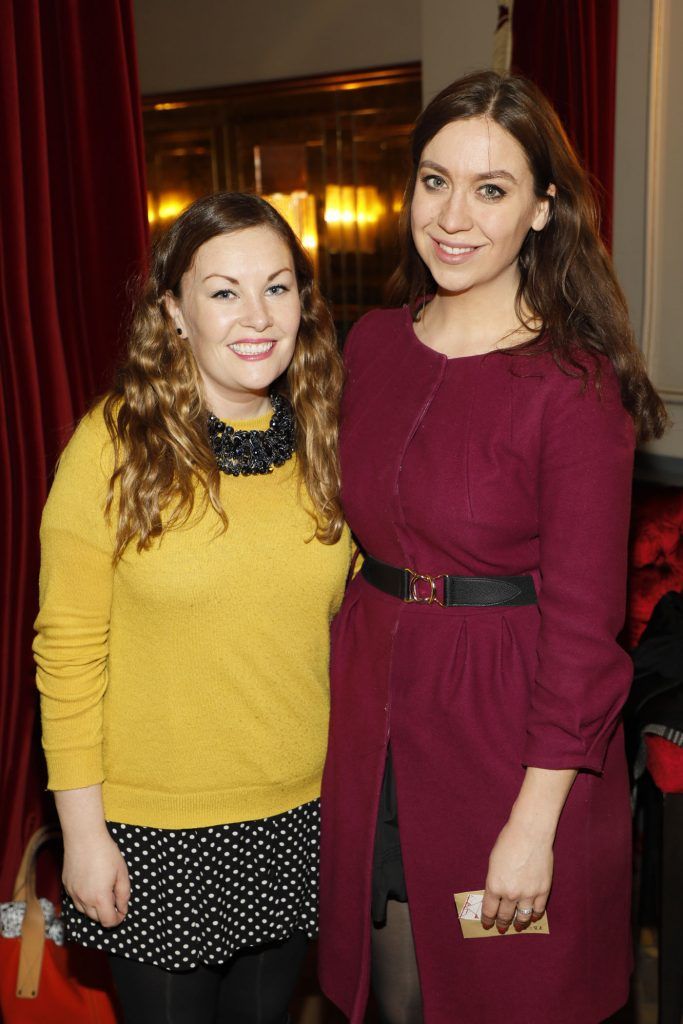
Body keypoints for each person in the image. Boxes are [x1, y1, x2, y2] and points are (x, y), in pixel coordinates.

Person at [317, 71, 667, 1024]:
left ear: (543, 210)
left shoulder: (574, 383)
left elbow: (586, 627)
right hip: (374, 721)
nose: (453, 216)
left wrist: (532, 822)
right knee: (393, 994)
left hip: (509, 736)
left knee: (509, 1000)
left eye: (492, 188)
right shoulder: (372, 346)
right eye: (435, 181)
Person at [34, 192, 351, 1024]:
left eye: (277, 288)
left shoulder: (328, 438)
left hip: (296, 816)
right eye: (223, 291)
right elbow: (67, 649)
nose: (256, 316)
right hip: (154, 830)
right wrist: (83, 833)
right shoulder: (112, 446)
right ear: (173, 310)